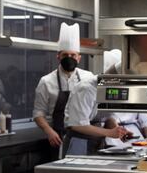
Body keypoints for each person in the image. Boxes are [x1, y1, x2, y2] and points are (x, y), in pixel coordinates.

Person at [33, 23, 94, 156]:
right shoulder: (46, 81)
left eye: (73, 55)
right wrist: (49, 132)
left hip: (83, 136)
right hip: (57, 137)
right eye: (65, 54)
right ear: (58, 56)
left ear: (79, 57)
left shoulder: (88, 78)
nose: (69, 58)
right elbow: (38, 113)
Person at [63, 76, 134, 156]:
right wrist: (110, 132)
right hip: (79, 142)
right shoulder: (86, 89)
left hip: (97, 142)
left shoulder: (111, 90)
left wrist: (118, 131)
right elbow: (77, 125)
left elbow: (108, 117)